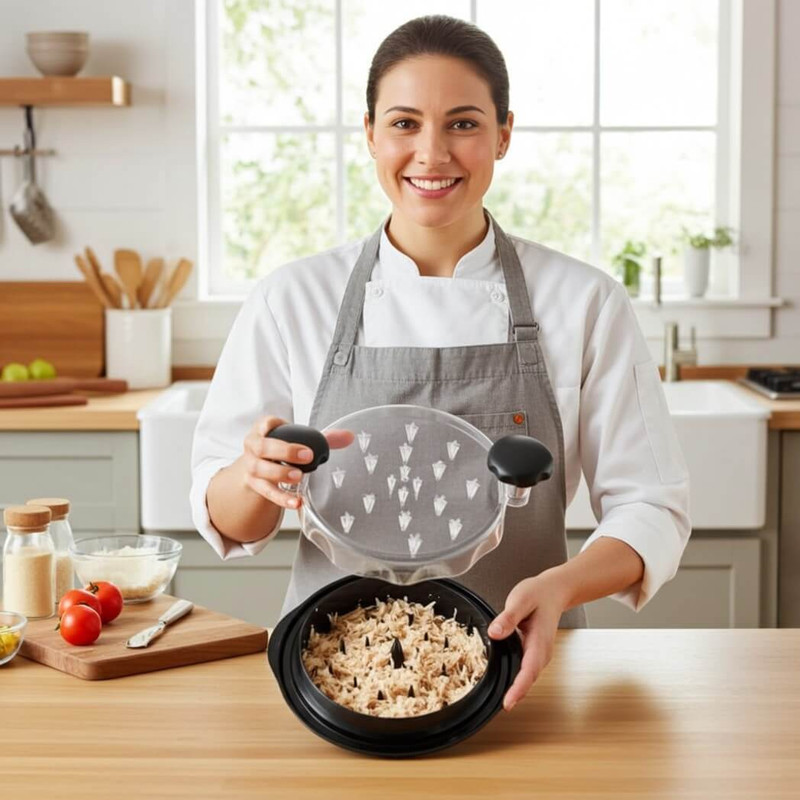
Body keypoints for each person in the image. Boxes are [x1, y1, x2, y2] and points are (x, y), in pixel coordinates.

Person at [191, 15, 690, 712]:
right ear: (368, 134)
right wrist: (255, 475)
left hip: (525, 672)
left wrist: (562, 585)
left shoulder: (584, 302)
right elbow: (230, 516)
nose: (431, 153)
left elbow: (651, 505)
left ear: (503, 135)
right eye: (403, 123)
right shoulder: (292, 298)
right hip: (330, 672)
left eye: (462, 124)